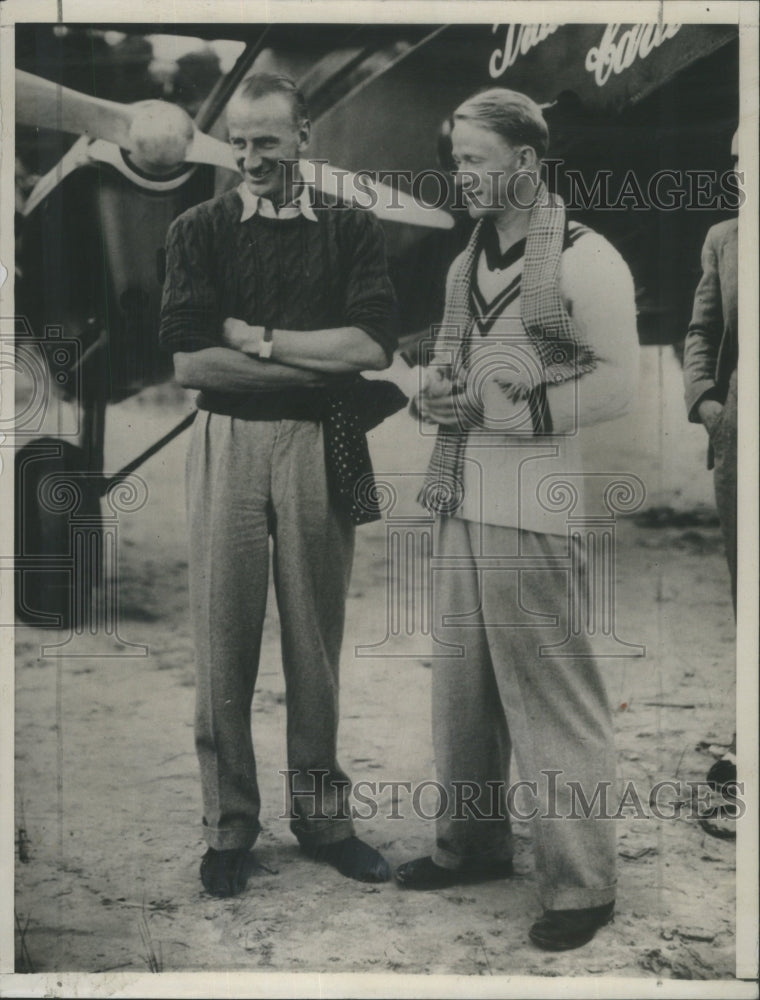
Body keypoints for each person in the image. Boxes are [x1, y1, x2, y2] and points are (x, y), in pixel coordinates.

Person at [395, 88, 639, 951]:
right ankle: (471, 845)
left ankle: (582, 885)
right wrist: (432, 393)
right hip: (462, 491)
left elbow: (618, 381)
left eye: (475, 160)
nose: (460, 175)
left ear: (526, 162)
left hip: (536, 500)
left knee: (551, 693)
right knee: (462, 688)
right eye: (456, 160)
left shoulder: (587, 257)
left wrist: (516, 411)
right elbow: (454, 366)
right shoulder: (466, 262)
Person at [159, 73, 398, 897]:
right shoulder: (197, 230)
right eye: (239, 142)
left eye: (268, 140)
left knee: (313, 640)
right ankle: (229, 827)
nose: (251, 158)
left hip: (318, 447)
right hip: (226, 442)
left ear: (305, 136)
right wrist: (314, 366)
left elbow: (371, 347)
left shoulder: (352, 228)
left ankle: (324, 821)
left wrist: (257, 339)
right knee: (223, 638)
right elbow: (192, 364)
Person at [682, 130, 739, 613]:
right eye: (737, 162)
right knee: (746, 565)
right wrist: (705, 400)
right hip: (737, 425)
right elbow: (702, 329)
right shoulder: (724, 239)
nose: (741, 173)